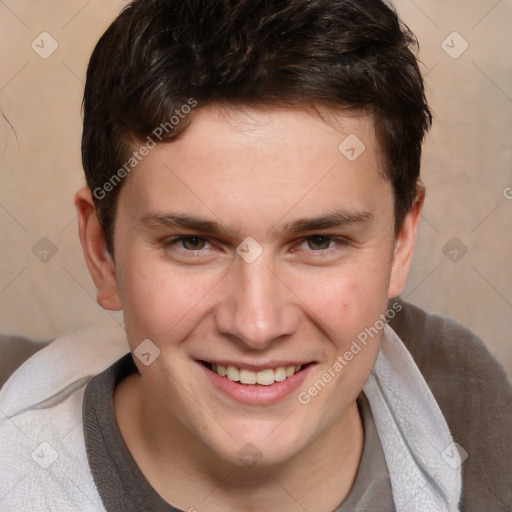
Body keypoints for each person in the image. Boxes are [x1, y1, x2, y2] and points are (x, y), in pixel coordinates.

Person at [1, 0, 511, 510]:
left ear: (402, 241)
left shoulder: (470, 405)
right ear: (101, 251)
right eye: (193, 243)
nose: (256, 325)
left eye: (318, 241)